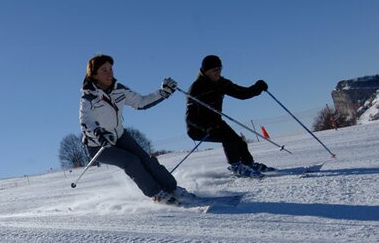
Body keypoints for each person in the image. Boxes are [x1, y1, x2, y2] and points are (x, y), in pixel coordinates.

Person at [79, 54, 193, 205]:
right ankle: (157, 194)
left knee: (146, 159)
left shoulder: (119, 89)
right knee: (131, 161)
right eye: (104, 70)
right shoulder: (88, 98)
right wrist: (99, 134)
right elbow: (85, 121)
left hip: (120, 136)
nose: (109, 73)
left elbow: (141, 102)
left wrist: (163, 92)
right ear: (94, 75)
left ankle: (172, 188)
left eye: (110, 69)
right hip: (98, 145)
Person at [185, 54, 275, 178]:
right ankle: (236, 166)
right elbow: (190, 118)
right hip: (198, 128)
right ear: (206, 72)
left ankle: (248, 164)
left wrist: (257, 88)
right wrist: (206, 127)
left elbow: (242, 93)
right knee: (228, 138)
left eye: (220, 69)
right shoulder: (196, 89)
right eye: (214, 70)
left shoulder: (222, 83)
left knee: (239, 141)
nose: (218, 72)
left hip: (216, 122)